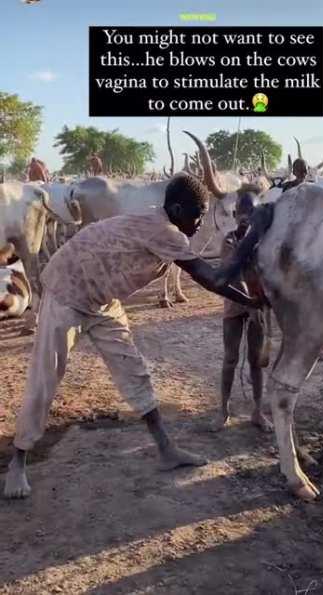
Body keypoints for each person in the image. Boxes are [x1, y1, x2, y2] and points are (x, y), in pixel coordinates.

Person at [4, 174, 262, 499]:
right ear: (178, 209)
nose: (199, 224)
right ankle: (18, 462)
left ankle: (167, 450)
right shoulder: (165, 231)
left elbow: (209, 272)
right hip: (68, 290)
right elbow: (209, 278)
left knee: (133, 370)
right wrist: (253, 301)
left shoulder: (163, 223)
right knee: (45, 378)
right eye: (197, 216)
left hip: (102, 298)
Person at [212, 189, 272, 433]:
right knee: (230, 359)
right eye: (242, 212)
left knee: (256, 362)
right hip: (236, 304)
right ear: (234, 214)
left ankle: (257, 411)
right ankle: (223, 412)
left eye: (251, 212)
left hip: (257, 306)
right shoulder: (229, 241)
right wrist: (250, 302)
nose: (246, 217)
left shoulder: (264, 241)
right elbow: (232, 275)